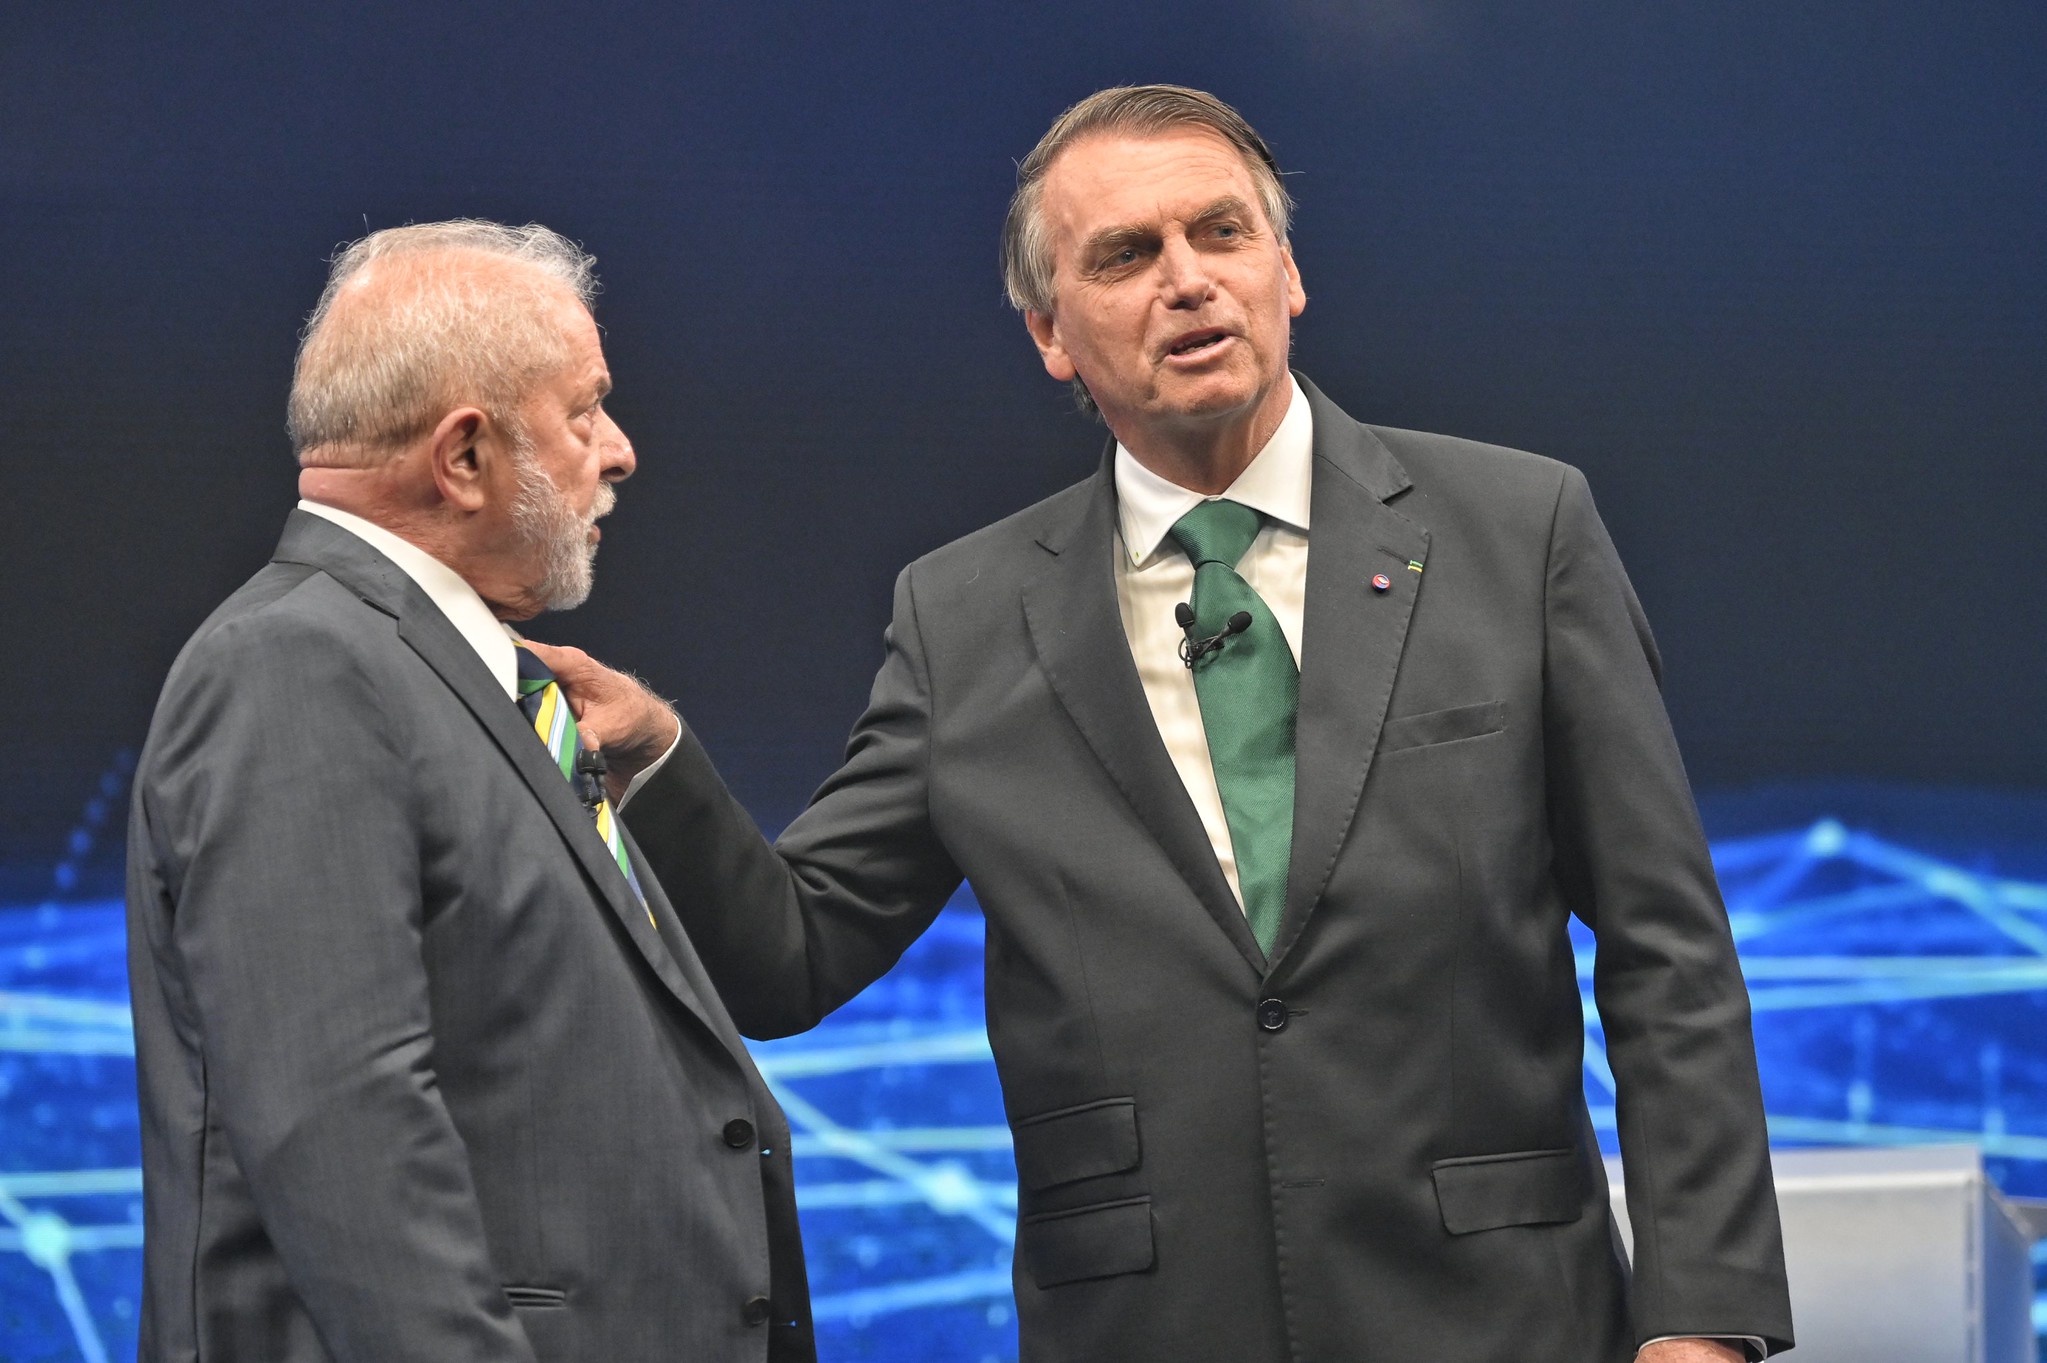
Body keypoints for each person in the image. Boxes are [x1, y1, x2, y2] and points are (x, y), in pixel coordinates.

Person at [543, 87, 1793, 1361]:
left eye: (1222, 234)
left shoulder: (1517, 534)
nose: (1188, 282)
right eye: (1128, 255)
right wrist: (656, 760)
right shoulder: (962, 616)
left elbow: (1668, 952)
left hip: (1505, 1316)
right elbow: (793, 955)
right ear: (1049, 332)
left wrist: (1702, 1324)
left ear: (1287, 272)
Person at [125, 220, 812, 1363]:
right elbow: (344, 1130)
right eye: (584, 409)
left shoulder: (440, 673)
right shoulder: (295, 666)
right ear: (464, 456)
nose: (622, 449)